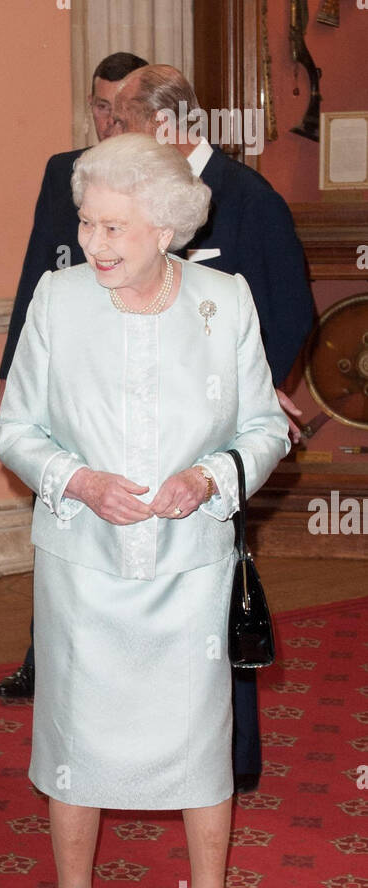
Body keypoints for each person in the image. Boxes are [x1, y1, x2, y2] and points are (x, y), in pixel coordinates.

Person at [0, 134, 289, 888]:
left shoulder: (223, 301)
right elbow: (14, 429)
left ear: (165, 228)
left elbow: (263, 430)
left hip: (191, 564)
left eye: (115, 228)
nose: (96, 245)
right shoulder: (57, 298)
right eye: (87, 224)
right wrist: (76, 479)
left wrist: (211, 478)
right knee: (78, 743)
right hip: (83, 563)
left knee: (199, 747)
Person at [113, 64, 316, 791]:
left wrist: (243, 401)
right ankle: (158, 745)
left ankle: (231, 760)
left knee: (220, 592)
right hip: (149, 434)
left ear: (162, 125)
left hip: (219, 444)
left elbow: (290, 313)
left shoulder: (247, 198)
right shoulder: (148, 204)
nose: (116, 142)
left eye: (124, 125)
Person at [0, 51, 147, 705]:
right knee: (58, 514)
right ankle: (44, 657)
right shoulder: (64, 172)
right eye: (99, 105)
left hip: (138, 385)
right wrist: (10, 372)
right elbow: (37, 275)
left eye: (121, 106)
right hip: (65, 381)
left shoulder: (163, 183)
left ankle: (135, 663)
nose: (109, 120)